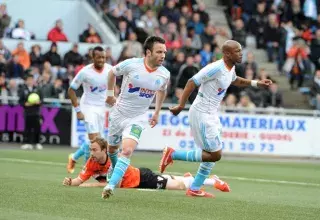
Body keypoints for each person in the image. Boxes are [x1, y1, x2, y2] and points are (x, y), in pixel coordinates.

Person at [159, 40, 272, 198]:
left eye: (240, 51)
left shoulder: (229, 68)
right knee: (215, 154)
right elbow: (192, 82)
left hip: (211, 114)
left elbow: (235, 80)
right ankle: (173, 154)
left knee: (212, 151)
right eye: (237, 51)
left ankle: (195, 188)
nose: (241, 54)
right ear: (227, 54)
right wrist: (181, 105)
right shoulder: (215, 68)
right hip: (202, 114)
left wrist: (256, 83)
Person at [102, 36, 170, 199]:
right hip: (119, 113)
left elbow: (162, 90)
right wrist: (110, 94)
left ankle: (110, 186)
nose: (163, 55)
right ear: (148, 52)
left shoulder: (164, 74)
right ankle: (114, 166)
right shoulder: (132, 64)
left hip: (138, 117)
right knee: (112, 149)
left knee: (126, 150)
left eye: (164, 52)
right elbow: (111, 73)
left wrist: (157, 111)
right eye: (159, 52)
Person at [62, 137, 230, 194]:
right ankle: (192, 178)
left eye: (94, 150)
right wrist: (71, 182)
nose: (91, 153)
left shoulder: (114, 161)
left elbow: (116, 184)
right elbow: (79, 179)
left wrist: (90, 185)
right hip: (135, 182)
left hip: (142, 178)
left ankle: (211, 181)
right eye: (90, 150)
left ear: (105, 150)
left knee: (179, 186)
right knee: (177, 182)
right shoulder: (91, 163)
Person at [66, 46, 112, 173]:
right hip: (88, 107)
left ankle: (74, 157)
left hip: (102, 108)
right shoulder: (85, 72)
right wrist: (78, 110)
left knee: (100, 142)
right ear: (93, 57)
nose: (102, 60)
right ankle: (88, 169)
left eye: (103, 57)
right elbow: (71, 90)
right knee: (94, 141)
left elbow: (112, 86)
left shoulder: (110, 70)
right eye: (99, 57)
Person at [18, 74, 43, 150]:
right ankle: (27, 142)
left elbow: (42, 99)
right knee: (27, 128)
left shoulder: (37, 89)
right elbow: (20, 101)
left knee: (37, 128)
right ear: (26, 81)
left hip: (36, 112)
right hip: (27, 112)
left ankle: (37, 143)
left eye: (31, 80)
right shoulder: (23, 89)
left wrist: (39, 102)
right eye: (29, 80)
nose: (30, 81)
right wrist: (25, 104)